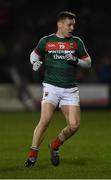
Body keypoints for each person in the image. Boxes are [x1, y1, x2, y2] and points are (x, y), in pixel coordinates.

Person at [25, 11, 91, 167]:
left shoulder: (76, 42)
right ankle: (32, 155)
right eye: (69, 24)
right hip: (51, 87)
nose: (72, 27)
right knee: (45, 119)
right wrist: (34, 64)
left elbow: (88, 62)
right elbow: (34, 55)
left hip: (70, 89)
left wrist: (76, 60)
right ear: (60, 24)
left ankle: (55, 145)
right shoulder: (46, 41)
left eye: (74, 24)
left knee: (74, 125)